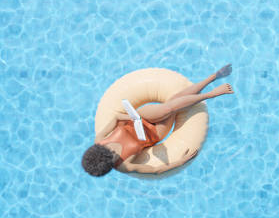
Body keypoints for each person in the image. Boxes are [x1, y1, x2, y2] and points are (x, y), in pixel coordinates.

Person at [81, 64, 234, 177]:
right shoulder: (124, 166)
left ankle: (211, 93)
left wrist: (134, 119)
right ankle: (213, 77)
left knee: (167, 108)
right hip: (154, 134)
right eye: (112, 155)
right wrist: (180, 162)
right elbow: (155, 171)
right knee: (173, 105)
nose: (113, 151)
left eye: (109, 150)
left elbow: (115, 118)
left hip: (139, 118)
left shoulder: (100, 140)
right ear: (109, 164)